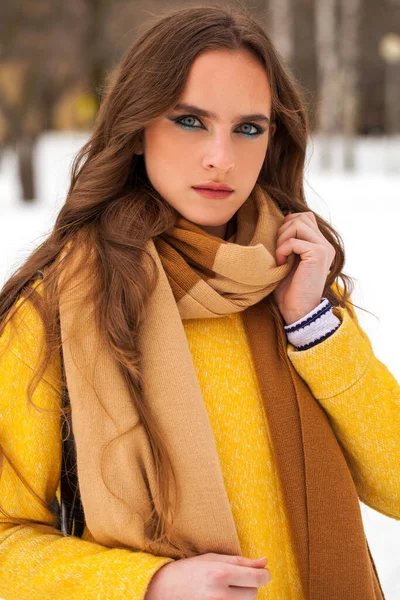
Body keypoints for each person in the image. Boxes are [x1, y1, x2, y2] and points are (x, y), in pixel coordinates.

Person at [0, 5, 398, 600]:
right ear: (136, 128)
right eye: (190, 120)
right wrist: (148, 584)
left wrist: (312, 328)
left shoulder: (292, 283)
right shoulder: (57, 309)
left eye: (248, 128)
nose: (222, 158)